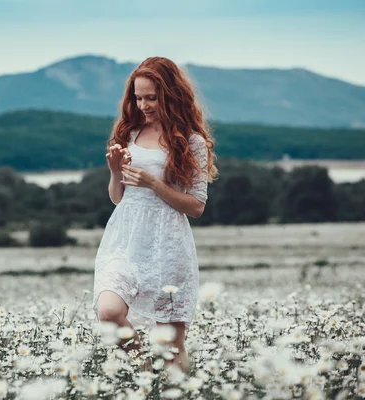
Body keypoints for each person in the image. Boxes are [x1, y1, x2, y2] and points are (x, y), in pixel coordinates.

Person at [92, 56, 218, 373]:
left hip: (168, 244)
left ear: (170, 95)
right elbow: (118, 197)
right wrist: (114, 171)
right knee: (108, 312)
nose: (144, 105)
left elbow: (197, 206)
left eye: (151, 97)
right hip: (125, 240)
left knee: (172, 351)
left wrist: (153, 183)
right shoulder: (129, 134)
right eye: (138, 97)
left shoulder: (192, 142)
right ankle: (146, 372)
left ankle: (172, 388)